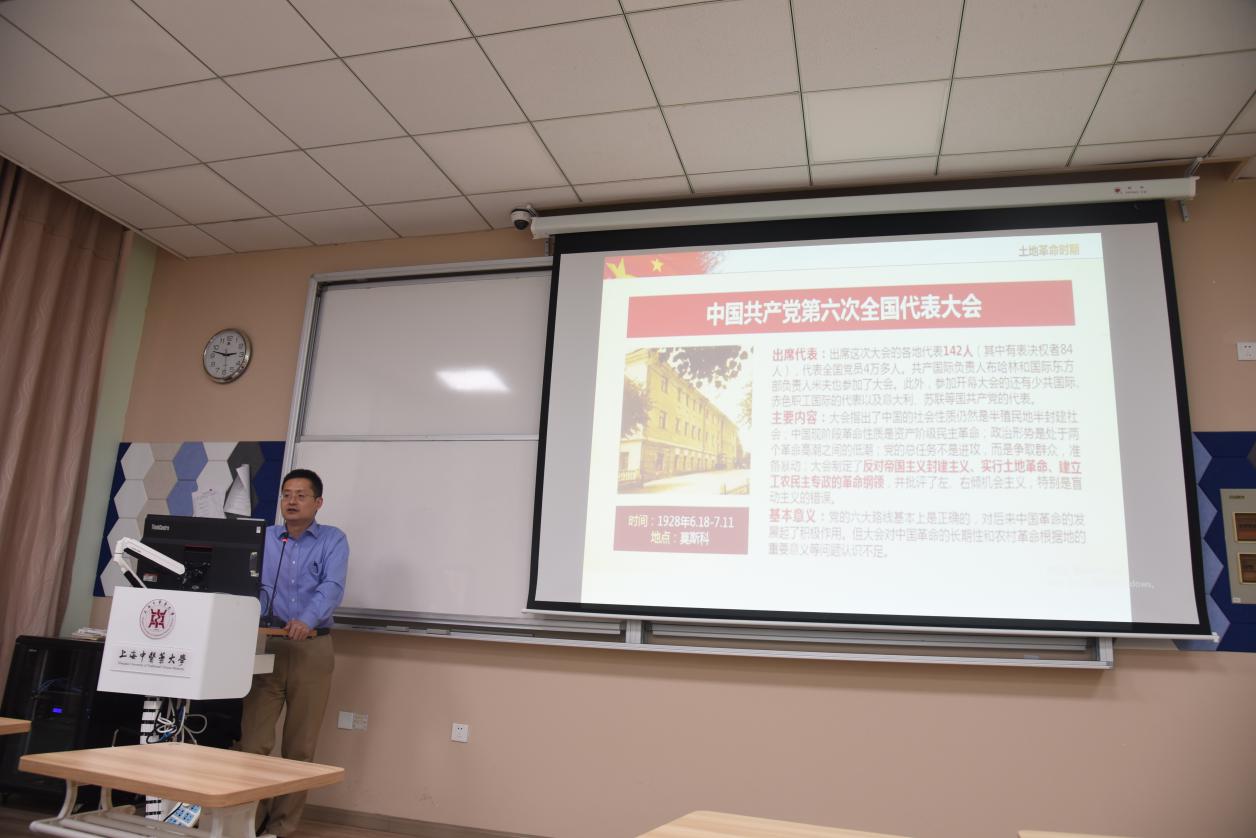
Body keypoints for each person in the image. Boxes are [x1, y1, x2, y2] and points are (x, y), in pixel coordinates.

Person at [239, 468, 349, 837]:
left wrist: (306, 619)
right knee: (254, 742)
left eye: (301, 495)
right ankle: (247, 822)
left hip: (312, 647)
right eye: (287, 494)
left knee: (299, 748)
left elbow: (331, 586)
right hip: (268, 645)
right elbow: (250, 583)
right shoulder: (267, 539)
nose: (292, 501)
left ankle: (280, 827)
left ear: (318, 502)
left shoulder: (333, 539)